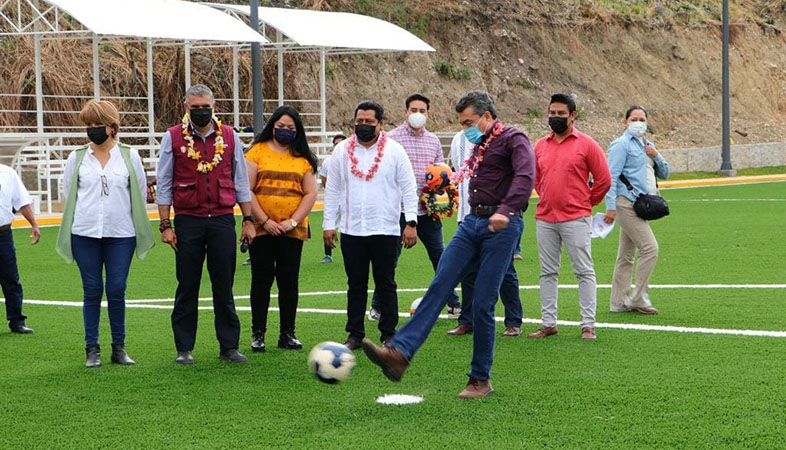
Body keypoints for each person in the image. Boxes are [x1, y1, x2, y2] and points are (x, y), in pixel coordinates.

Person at [362, 91, 535, 399]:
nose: (465, 129)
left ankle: (480, 379)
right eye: (462, 123)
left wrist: (506, 210)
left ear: (487, 116)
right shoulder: (480, 144)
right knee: (440, 282)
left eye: (468, 122)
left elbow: (525, 176)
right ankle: (400, 354)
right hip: (472, 222)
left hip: (502, 225)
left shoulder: (514, 138)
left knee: (483, 301)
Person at [156, 84, 255, 365]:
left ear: (214, 107)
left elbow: (240, 181)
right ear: (186, 108)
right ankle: (184, 348)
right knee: (187, 285)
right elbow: (164, 182)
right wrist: (165, 225)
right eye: (195, 107)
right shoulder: (173, 137)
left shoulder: (230, 136)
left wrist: (248, 220)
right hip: (188, 220)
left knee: (224, 286)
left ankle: (229, 346)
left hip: (222, 220)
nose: (200, 111)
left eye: (205, 107)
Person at [56, 99, 154, 368]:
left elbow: (139, 193)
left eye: (97, 123)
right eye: (88, 124)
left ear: (112, 126)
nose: (92, 129)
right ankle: (92, 349)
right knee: (91, 289)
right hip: (84, 233)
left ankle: (118, 347)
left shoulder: (130, 156)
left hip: (121, 234)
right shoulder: (76, 157)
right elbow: (69, 192)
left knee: (116, 288)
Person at [323, 101, 418, 350]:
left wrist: (411, 222)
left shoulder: (395, 151)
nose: (363, 126)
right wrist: (328, 224)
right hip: (352, 228)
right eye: (359, 121)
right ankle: (355, 334)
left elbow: (409, 188)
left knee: (386, 283)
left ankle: (389, 334)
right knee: (355, 284)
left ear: (381, 124)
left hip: (385, 228)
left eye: (369, 122)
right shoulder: (342, 150)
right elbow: (332, 189)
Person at [368, 94, 461, 321]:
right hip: (398, 211)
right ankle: (378, 306)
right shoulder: (391, 138)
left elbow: (440, 173)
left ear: (428, 113)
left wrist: (442, 192)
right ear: (405, 112)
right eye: (413, 110)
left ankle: (453, 303)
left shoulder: (433, 141)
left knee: (441, 258)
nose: (417, 114)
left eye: (422, 110)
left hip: (427, 211)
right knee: (389, 259)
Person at [528, 94, 611, 341]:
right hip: (545, 218)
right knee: (547, 272)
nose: (555, 117)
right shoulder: (540, 145)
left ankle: (588, 325)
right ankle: (548, 323)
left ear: (572, 115)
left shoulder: (587, 144)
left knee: (584, 271)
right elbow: (536, 177)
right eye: (552, 113)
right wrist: (546, 195)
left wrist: (587, 202)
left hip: (576, 218)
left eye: (561, 114)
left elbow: (604, 179)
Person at [244, 106, 319, 353]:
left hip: (291, 230)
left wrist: (292, 222)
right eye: (281, 126)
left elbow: (310, 193)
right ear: (272, 126)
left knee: (288, 281)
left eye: (290, 128)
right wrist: (265, 221)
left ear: (298, 131)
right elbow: (248, 189)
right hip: (261, 228)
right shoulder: (257, 151)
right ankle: (258, 334)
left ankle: (288, 333)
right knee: (261, 280)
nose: (285, 131)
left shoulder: (303, 157)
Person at [447, 129, 524, 337]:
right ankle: (467, 320)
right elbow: (460, 170)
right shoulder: (458, 139)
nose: (466, 124)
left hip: (497, 216)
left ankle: (513, 320)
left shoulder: (502, 139)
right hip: (468, 215)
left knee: (505, 270)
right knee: (468, 271)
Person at [605, 105, 670, 314]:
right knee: (650, 248)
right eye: (634, 119)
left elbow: (665, 173)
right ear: (625, 122)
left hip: (640, 205)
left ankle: (618, 302)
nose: (638, 123)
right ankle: (639, 298)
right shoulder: (621, 145)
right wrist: (610, 207)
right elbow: (611, 177)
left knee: (626, 255)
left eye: (642, 119)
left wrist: (656, 155)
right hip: (625, 203)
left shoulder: (648, 145)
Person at [0, 162, 40, 334]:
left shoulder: (7, 173)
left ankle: (17, 321)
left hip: (3, 234)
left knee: (11, 278)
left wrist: (34, 224)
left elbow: (21, 201)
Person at [318, 134, 346, 264]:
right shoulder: (328, 162)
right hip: (335, 201)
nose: (338, 146)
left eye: (341, 143)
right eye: (336, 144)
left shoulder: (354, 160)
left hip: (348, 200)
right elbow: (324, 180)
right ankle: (327, 255)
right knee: (328, 225)